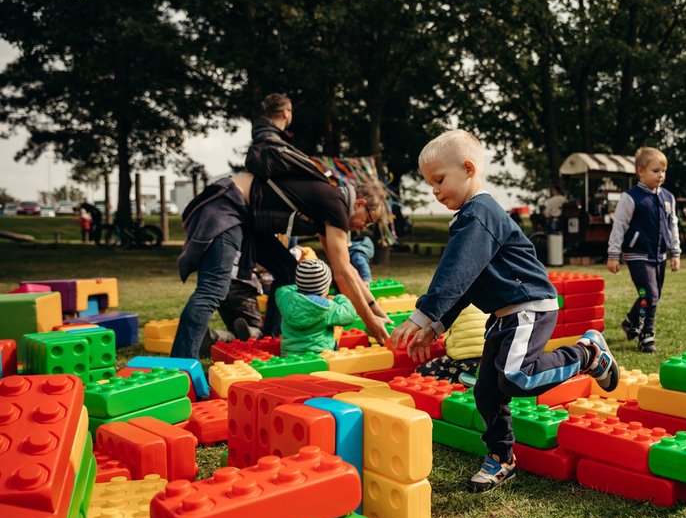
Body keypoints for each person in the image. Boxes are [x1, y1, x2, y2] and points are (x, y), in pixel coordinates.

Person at [391, 129, 619, 493]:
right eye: (429, 183)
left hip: (528, 306)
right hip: (503, 316)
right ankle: (502, 458)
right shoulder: (470, 217)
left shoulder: (480, 213)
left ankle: (588, 354)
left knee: (516, 377)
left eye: (438, 180)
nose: (434, 190)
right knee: (487, 392)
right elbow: (467, 283)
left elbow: (455, 272)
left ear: (467, 168)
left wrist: (421, 315)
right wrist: (436, 325)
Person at [170, 93, 391, 360]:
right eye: (366, 220)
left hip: (248, 218)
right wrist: (369, 322)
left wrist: (374, 307)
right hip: (226, 206)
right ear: (360, 203)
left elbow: (350, 271)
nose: (360, 227)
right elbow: (342, 274)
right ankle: (181, 365)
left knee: (288, 270)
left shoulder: (328, 207)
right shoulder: (335, 202)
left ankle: (272, 335)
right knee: (213, 288)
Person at [606, 147, 681, 354]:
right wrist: (613, 255)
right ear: (640, 171)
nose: (661, 175)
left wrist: (675, 252)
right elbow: (619, 226)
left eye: (663, 171)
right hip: (637, 255)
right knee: (649, 293)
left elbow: (673, 225)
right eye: (656, 171)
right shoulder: (630, 198)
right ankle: (646, 335)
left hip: (660, 256)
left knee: (647, 296)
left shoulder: (668, 198)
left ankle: (631, 320)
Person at [275, 259, 357, 354]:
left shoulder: (285, 298)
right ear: (327, 286)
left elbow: (284, 289)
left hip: (289, 356)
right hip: (322, 355)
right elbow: (350, 314)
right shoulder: (327, 307)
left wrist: (301, 286)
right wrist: (338, 298)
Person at [414, 304, 487, 384]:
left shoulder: (448, 302)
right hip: (488, 359)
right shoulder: (486, 300)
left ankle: (459, 379)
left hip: (463, 362)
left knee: (422, 371)